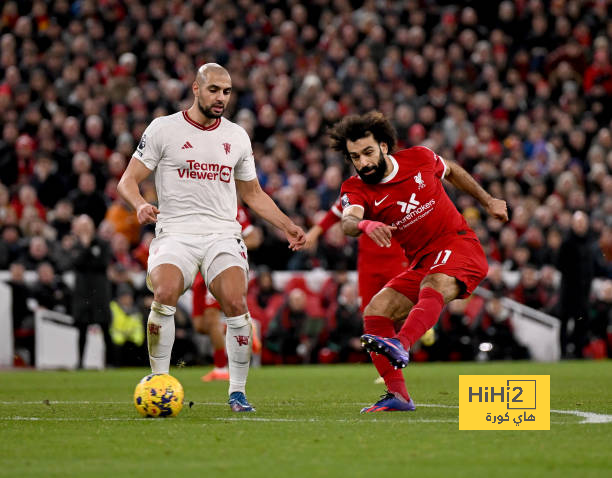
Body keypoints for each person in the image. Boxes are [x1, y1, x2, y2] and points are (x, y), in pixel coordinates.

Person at [117, 63, 305, 412]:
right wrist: (140, 204)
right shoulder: (163, 129)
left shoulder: (237, 136)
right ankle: (159, 382)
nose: (221, 97)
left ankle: (237, 392)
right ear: (196, 88)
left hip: (222, 233)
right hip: (176, 232)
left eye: (227, 91)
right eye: (214, 89)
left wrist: (286, 224)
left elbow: (253, 194)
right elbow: (127, 180)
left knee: (235, 302)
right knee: (165, 293)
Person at [330, 111, 508, 413]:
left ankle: (402, 343)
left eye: (368, 152)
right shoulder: (355, 188)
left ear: (384, 146)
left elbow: (451, 171)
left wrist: (488, 200)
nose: (363, 163)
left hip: (459, 246)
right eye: (355, 157)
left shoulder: (420, 158)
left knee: (433, 281)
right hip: (422, 261)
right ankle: (398, 395)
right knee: (376, 311)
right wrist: (364, 225)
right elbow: (347, 222)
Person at [193, 204, 263, 382]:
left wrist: (228, 247)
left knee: (211, 316)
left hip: (220, 266)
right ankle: (247, 330)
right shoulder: (195, 203)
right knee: (200, 326)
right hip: (199, 268)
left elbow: (254, 238)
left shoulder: (232, 208)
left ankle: (220, 368)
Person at [69, 214, 113, 368]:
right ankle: (80, 362)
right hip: (82, 293)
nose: (85, 229)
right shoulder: (75, 245)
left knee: (105, 328)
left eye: (88, 226)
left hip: (100, 293)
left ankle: (109, 362)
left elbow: (101, 264)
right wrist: (85, 247)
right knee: (81, 329)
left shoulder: (103, 244)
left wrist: (87, 251)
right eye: (82, 226)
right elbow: (76, 263)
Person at [557, 211, 595, 358]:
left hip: (583, 291)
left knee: (581, 324)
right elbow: (561, 265)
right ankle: (563, 353)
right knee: (565, 323)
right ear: (573, 224)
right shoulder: (567, 243)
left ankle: (578, 352)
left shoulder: (590, 242)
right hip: (568, 291)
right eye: (578, 223)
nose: (581, 226)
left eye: (583, 223)